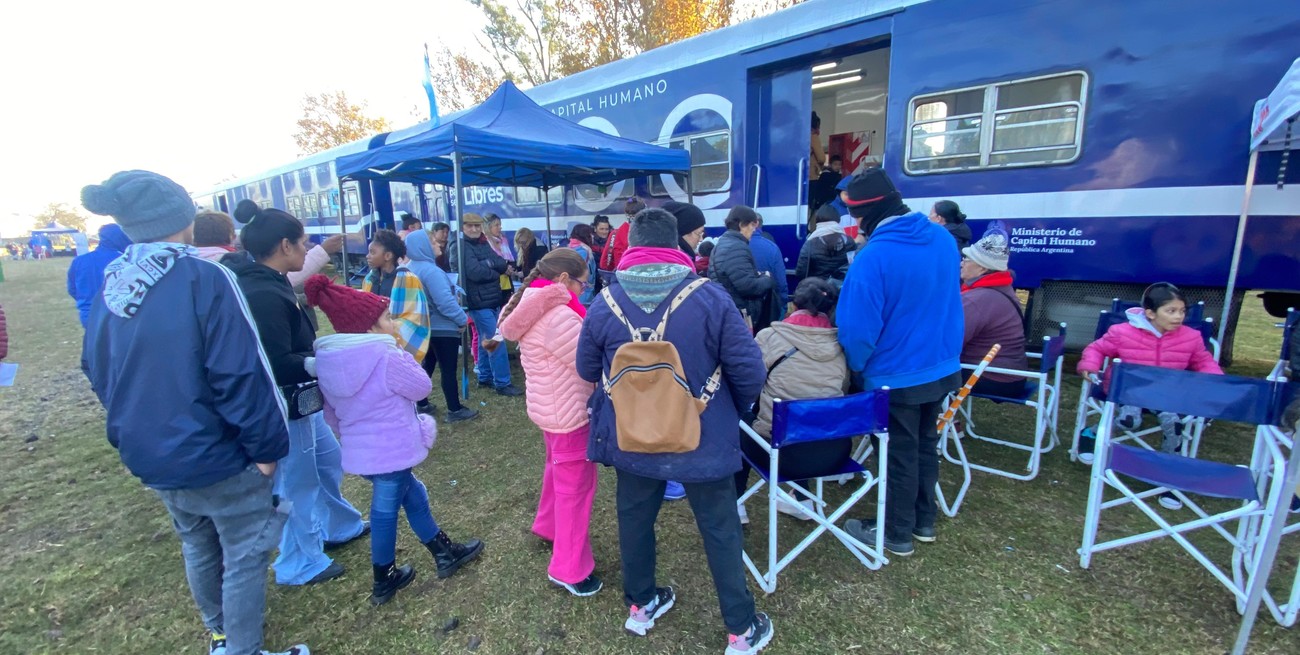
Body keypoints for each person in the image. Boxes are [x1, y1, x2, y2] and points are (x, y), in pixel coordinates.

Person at [79, 170, 309, 655]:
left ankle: (220, 635)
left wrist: (132, 429)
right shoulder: (204, 277)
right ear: (182, 217)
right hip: (217, 454)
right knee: (244, 555)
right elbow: (241, 371)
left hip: (152, 454)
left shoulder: (114, 283)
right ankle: (243, 649)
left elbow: (95, 368)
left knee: (197, 542)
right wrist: (267, 450)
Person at [578, 207, 774, 655]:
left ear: (631, 246)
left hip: (631, 433)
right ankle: (741, 630)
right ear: (677, 244)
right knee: (720, 528)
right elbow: (749, 370)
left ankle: (641, 606)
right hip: (702, 432)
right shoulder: (710, 297)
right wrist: (731, 409)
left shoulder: (604, 302)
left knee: (634, 519)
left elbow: (586, 368)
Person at [304, 275, 484, 606]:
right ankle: (384, 577)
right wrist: (401, 352)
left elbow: (330, 414)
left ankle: (445, 552)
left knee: (414, 494)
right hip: (393, 449)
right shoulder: (386, 356)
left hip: (362, 452)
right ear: (369, 328)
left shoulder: (327, 362)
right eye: (387, 318)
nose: (394, 323)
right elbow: (421, 387)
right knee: (385, 510)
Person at [225, 199, 367, 587]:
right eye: (303, 243)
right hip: (285, 404)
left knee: (328, 460)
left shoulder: (270, 282)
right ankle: (298, 561)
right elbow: (275, 361)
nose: (307, 250)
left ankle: (338, 524)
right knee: (296, 483)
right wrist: (324, 363)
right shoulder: (264, 294)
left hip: (303, 402)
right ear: (284, 246)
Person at [836, 168, 964, 558]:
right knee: (925, 445)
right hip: (942, 364)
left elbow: (857, 330)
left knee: (897, 453)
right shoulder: (943, 239)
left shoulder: (873, 257)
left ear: (866, 213)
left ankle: (896, 532)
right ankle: (923, 521)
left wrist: (857, 368)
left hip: (895, 373)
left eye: (855, 215)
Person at [497, 249, 602, 597]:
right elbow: (588, 365)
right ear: (563, 280)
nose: (585, 290)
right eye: (582, 283)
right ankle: (569, 569)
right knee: (576, 490)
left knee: (556, 471)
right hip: (569, 415)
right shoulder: (559, 316)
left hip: (551, 409)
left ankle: (548, 525)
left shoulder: (528, 303)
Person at [1076, 283, 1224, 509]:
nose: (1178, 317)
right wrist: (1089, 365)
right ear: (1150, 313)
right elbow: (1096, 349)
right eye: (1171, 311)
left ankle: (1170, 476)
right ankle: (1091, 434)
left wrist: (1217, 383)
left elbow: (1204, 362)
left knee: (1173, 424)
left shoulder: (1191, 337)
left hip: (1166, 394)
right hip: (1127, 390)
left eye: (1182, 311)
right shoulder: (1122, 332)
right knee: (1129, 421)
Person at [734, 278, 850, 524]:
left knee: (740, 424)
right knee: (807, 414)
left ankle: (735, 504)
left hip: (781, 453)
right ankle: (802, 499)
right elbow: (844, 387)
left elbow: (747, 384)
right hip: (833, 451)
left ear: (793, 305)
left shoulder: (770, 337)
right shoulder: (843, 344)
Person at [404, 230, 479, 423]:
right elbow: (445, 303)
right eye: (433, 242)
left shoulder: (408, 269)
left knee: (427, 365)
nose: (439, 244)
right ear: (422, 247)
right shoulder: (432, 271)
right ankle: (454, 409)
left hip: (423, 327)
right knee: (448, 369)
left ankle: (421, 402)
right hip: (443, 328)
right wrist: (462, 319)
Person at [449, 213, 522, 396]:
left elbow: (499, 262)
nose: (474, 229)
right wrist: (495, 272)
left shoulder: (481, 242)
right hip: (478, 301)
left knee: (486, 339)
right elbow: (475, 272)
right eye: (469, 226)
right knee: (496, 340)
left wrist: (489, 265)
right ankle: (502, 383)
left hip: (490, 298)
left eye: (477, 226)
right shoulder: (460, 246)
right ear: (462, 227)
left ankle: (485, 376)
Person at [959, 231, 1029, 397]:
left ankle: (938, 415)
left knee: (926, 376)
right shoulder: (1002, 289)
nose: (962, 263)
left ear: (982, 268)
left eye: (967, 259)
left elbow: (950, 340)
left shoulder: (978, 298)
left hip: (992, 376)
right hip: (1011, 374)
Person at [364, 229, 431, 367]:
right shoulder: (370, 279)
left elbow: (414, 317)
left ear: (388, 256)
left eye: (372, 252)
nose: (367, 256)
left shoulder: (408, 280)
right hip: (372, 340)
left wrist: (387, 329)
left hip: (395, 341)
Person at [708, 206, 776, 333]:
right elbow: (748, 286)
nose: (754, 230)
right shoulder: (736, 247)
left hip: (728, 310)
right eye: (752, 225)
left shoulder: (722, 244)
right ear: (741, 225)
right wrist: (767, 278)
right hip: (739, 314)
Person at [66, 223, 131, 327]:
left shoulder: (79, 261)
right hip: (115, 314)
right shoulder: (124, 261)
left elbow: (72, 289)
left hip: (88, 314)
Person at [796, 204, 853, 284]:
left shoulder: (810, 243)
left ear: (818, 220)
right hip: (842, 288)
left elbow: (801, 272)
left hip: (817, 289)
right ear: (838, 219)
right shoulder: (849, 241)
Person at [748, 215, 788, 318]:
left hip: (743, 309)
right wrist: (783, 306)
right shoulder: (772, 248)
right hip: (768, 307)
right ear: (759, 224)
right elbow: (781, 282)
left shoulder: (732, 247)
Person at [599, 197, 644, 271]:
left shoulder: (615, 234)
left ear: (626, 213)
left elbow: (604, 263)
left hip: (620, 275)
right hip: (643, 275)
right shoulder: (648, 233)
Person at [568, 224, 600, 306]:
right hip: (584, 294)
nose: (593, 236)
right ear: (586, 235)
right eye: (591, 234)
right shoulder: (583, 252)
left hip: (576, 292)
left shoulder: (571, 248)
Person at [484, 213, 517, 291]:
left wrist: (510, 268)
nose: (500, 227)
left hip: (507, 283)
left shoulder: (503, 240)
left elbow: (511, 260)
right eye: (497, 225)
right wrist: (503, 270)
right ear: (488, 227)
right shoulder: (485, 242)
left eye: (500, 225)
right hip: (493, 284)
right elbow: (488, 264)